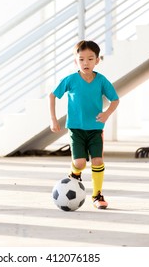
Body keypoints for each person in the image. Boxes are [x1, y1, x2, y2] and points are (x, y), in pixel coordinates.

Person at [49, 40, 119, 209]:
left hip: (95, 129)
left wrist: (107, 113)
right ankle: (75, 173)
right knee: (80, 163)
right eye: (81, 59)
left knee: (97, 161)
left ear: (97, 60)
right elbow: (52, 96)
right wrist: (53, 119)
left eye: (90, 59)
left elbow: (115, 100)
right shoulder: (70, 80)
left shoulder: (101, 81)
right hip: (76, 129)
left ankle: (97, 195)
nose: (85, 63)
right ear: (75, 61)